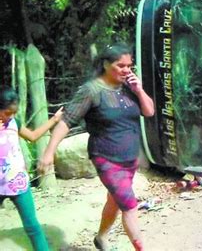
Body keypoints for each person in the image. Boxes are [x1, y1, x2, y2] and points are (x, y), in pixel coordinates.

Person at [38, 43, 155, 250]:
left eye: (129, 65)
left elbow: (149, 111)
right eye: (121, 65)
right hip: (106, 158)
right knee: (129, 205)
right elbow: (66, 121)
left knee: (114, 200)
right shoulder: (91, 91)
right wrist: (48, 153)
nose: (127, 69)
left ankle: (101, 238)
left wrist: (139, 90)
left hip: (129, 159)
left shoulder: (129, 87)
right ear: (105, 64)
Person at [0, 86, 64, 251]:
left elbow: (33, 136)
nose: (11, 116)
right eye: (7, 112)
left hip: (18, 182)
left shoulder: (14, 123)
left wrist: (54, 120)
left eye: (14, 112)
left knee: (32, 226)